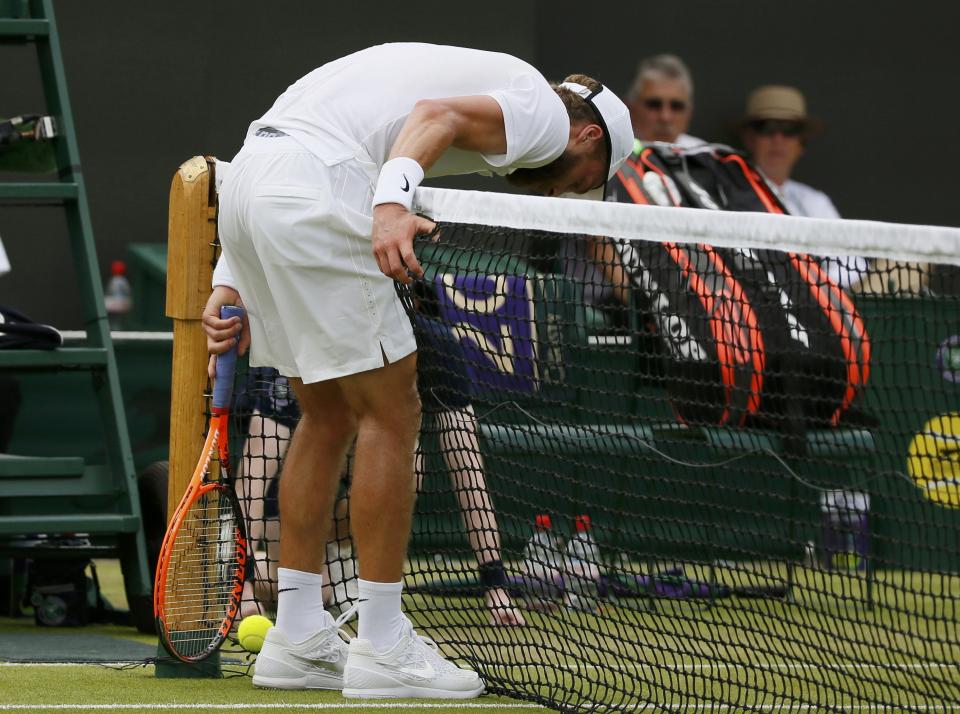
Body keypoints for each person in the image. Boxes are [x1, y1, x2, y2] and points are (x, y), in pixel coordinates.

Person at [202, 42, 633, 700]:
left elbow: (298, 138)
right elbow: (435, 115)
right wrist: (390, 206)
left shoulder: (466, 87)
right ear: (587, 135)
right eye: (581, 177)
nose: (562, 188)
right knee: (393, 412)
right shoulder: (545, 113)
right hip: (316, 188)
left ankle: (296, 635)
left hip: (252, 188)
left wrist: (229, 275)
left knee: (326, 414)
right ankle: (382, 644)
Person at [738, 85, 866, 289]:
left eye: (789, 130)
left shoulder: (815, 202)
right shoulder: (725, 193)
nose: (777, 139)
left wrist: (810, 289)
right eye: (767, 128)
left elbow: (852, 266)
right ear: (750, 138)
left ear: (801, 143)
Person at [625, 54, 702, 147]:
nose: (665, 117)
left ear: (689, 112)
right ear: (630, 108)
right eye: (654, 105)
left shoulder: (705, 157)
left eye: (676, 106)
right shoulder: (610, 158)